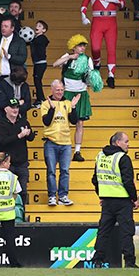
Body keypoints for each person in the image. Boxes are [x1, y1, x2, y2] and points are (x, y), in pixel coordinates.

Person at [90, 132, 139, 268]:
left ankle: (97, 260)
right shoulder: (123, 158)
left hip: (107, 202)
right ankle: (129, 262)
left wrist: (102, 195)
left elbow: (95, 179)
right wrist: (134, 199)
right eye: (126, 141)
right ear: (118, 142)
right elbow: (128, 181)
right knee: (126, 232)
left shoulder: (100, 156)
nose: (128, 144)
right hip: (123, 201)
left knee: (103, 232)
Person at [53, 34, 98, 162]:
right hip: (67, 93)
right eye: (80, 45)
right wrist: (69, 57)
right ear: (73, 46)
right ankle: (60, 148)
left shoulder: (88, 59)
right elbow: (55, 64)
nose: (82, 48)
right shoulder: (67, 57)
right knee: (62, 121)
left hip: (81, 93)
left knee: (80, 123)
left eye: (84, 45)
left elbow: (90, 77)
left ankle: (77, 151)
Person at [79, 0, 125, 88]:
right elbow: (84, 4)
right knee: (95, 47)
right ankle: (97, 63)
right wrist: (83, 16)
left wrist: (115, 0)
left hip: (111, 22)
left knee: (111, 49)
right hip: (97, 21)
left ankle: (111, 76)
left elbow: (123, 5)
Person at [40, 80, 80, 208]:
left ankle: (63, 196)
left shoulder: (67, 103)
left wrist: (73, 107)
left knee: (65, 171)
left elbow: (74, 121)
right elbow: (46, 121)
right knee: (51, 171)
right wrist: (52, 109)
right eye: (57, 90)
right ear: (52, 90)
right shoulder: (46, 104)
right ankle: (52, 196)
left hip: (66, 142)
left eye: (62, 90)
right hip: (50, 141)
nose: (60, 92)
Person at [0, 98, 35, 203]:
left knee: (23, 191)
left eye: (17, 107)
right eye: (12, 107)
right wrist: (19, 135)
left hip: (22, 162)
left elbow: (31, 138)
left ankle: (23, 214)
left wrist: (29, 133)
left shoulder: (23, 122)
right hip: (7, 163)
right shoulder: (1, 124)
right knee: (9, 191)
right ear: (6, 109)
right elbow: (3, 141)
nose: (15, 110)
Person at [0, 16, 28, 115]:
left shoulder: (19, 41)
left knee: (9, 104)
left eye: (6, 26)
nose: (3, 28)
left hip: (10, 78)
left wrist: (9, 56)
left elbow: (22, 58)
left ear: (12, 28)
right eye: (2, 26)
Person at [31, 20, 50, 105]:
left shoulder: (41, 38)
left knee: (37, 81)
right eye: (36, 25)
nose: (37, 27)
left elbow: (38, 42)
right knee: (36, 80)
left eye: (39, 26)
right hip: (37, 63)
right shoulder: (35, 38)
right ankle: (40, 98)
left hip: (41, 63)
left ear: (44, 30)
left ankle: (41, 99)